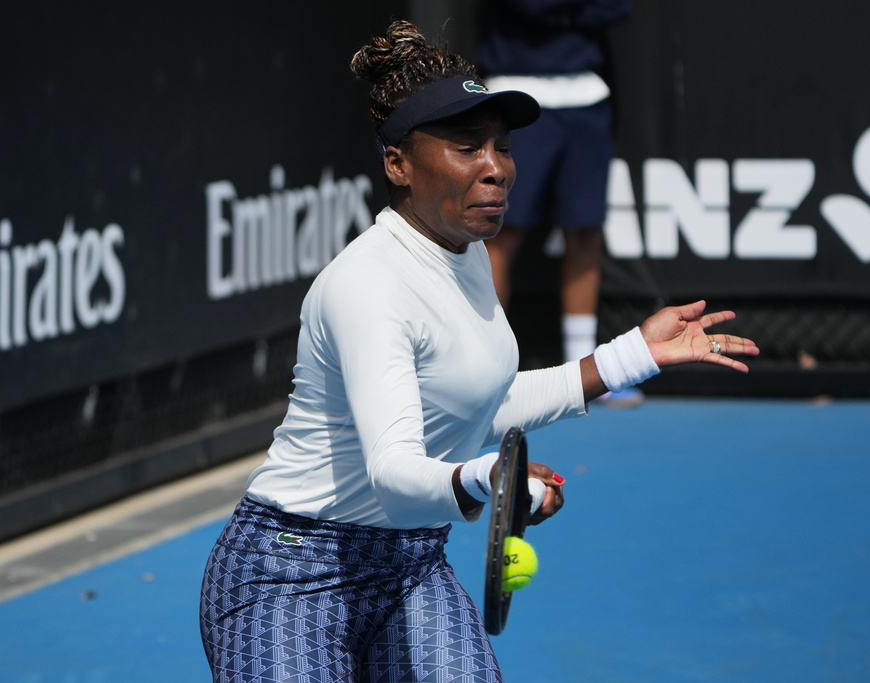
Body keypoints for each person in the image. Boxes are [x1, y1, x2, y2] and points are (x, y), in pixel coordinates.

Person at [199, 20, 758, 683]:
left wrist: (633, 354)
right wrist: (487, 477)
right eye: (467, 148)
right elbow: (396, 476)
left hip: (411, 567)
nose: (496, 168)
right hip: (292, 574)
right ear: (397, 163)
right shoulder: (368, 287)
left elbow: (480, 396)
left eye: (501, 147)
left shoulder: (467, 251)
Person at [477, 0, 641, 406]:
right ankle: (485, 373)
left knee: (585, 232)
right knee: (501, 233)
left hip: (588, 95)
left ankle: (584, 373)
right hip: (515, 91)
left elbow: (618, 7)